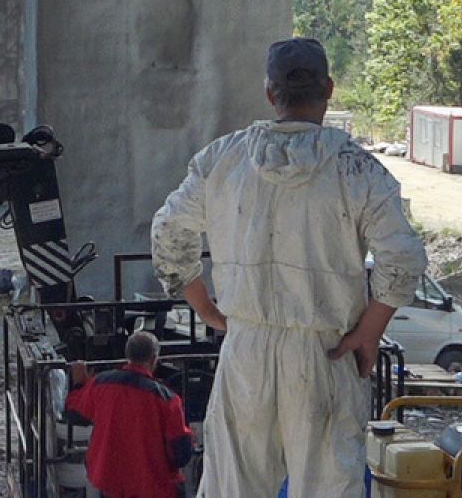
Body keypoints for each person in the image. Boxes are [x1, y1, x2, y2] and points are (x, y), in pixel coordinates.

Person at [150, 38, 426, 498]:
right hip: (326, 352)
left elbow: (168, 233)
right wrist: (370, 331)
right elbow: (403, 257)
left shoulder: (223, 160)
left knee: (233, 487)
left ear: (269, 93)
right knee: (326, 487)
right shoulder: (355, 169)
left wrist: (208, 311)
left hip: (246, 350)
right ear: (330, 89)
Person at [63, 331, 197, 498]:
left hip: (110, 482)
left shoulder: (101, 384)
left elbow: (73, 412)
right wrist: (191, 438)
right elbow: (180, 455)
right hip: (154, 487)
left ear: (127, 355)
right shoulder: (168, 400)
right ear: (154, 359)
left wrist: (78, 383)